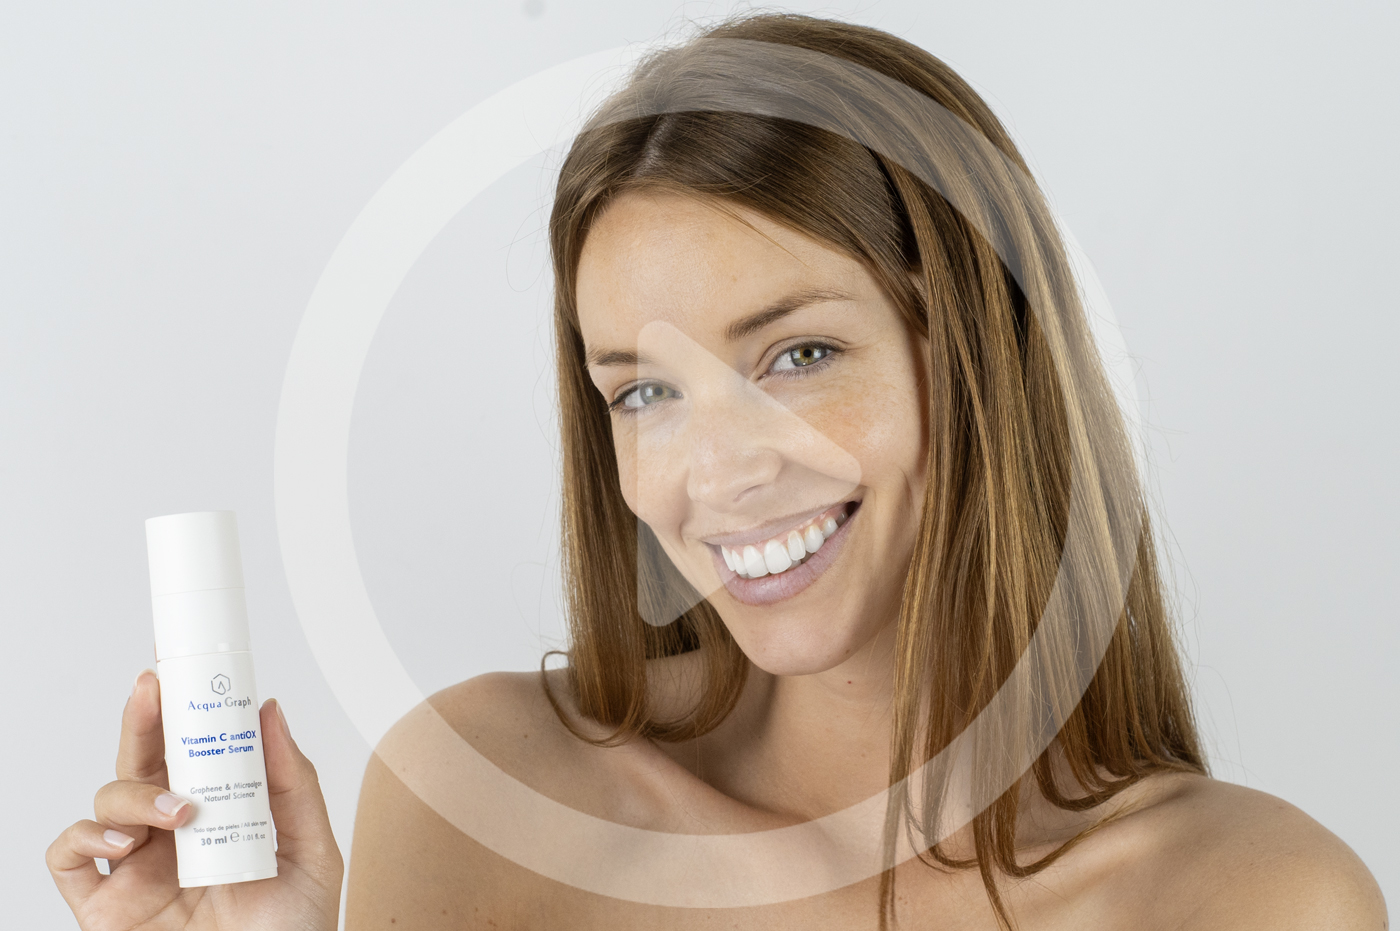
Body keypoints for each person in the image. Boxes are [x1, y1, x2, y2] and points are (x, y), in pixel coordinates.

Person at [48, 11, 1385, 930]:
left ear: (983, 359)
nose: (719, 472)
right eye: (644, 391)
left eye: (798, 355)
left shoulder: (1251, 898)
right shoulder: (484, 794)